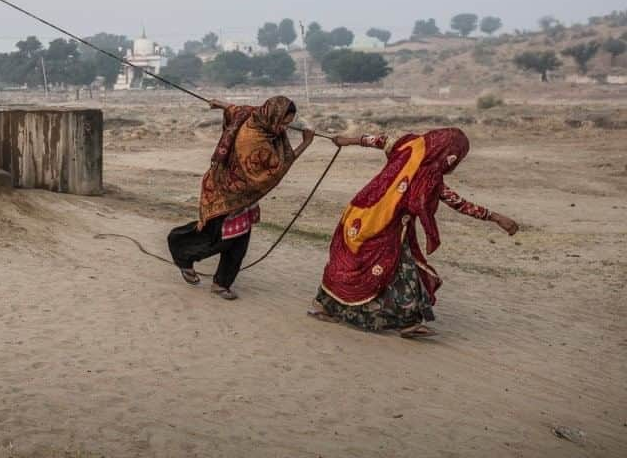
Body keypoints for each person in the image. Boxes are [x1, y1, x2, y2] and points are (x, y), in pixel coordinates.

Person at [309, 129, 519, 338]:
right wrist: (496, 217)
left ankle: (407, 322)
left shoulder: (408, 145)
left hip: (360, 214)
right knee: (362, 268)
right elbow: (459, 203)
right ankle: (326, 305)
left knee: (389, 269)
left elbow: (380, 140)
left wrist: (348, 140)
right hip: (383, 226)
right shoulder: (428, 174)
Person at [167, 95, 315, 300]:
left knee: (238, 242)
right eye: (282, 122)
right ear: (273, 116)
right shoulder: (254, 141)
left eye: (287, 124)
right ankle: (181, 250)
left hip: (241, 197)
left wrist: (220, 104)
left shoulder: (255, 117)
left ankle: (221, 283)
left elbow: (238, 109)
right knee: (215, 237)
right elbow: (274, 170)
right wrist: (305, 144)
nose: (283, 128)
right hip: (227, 193)